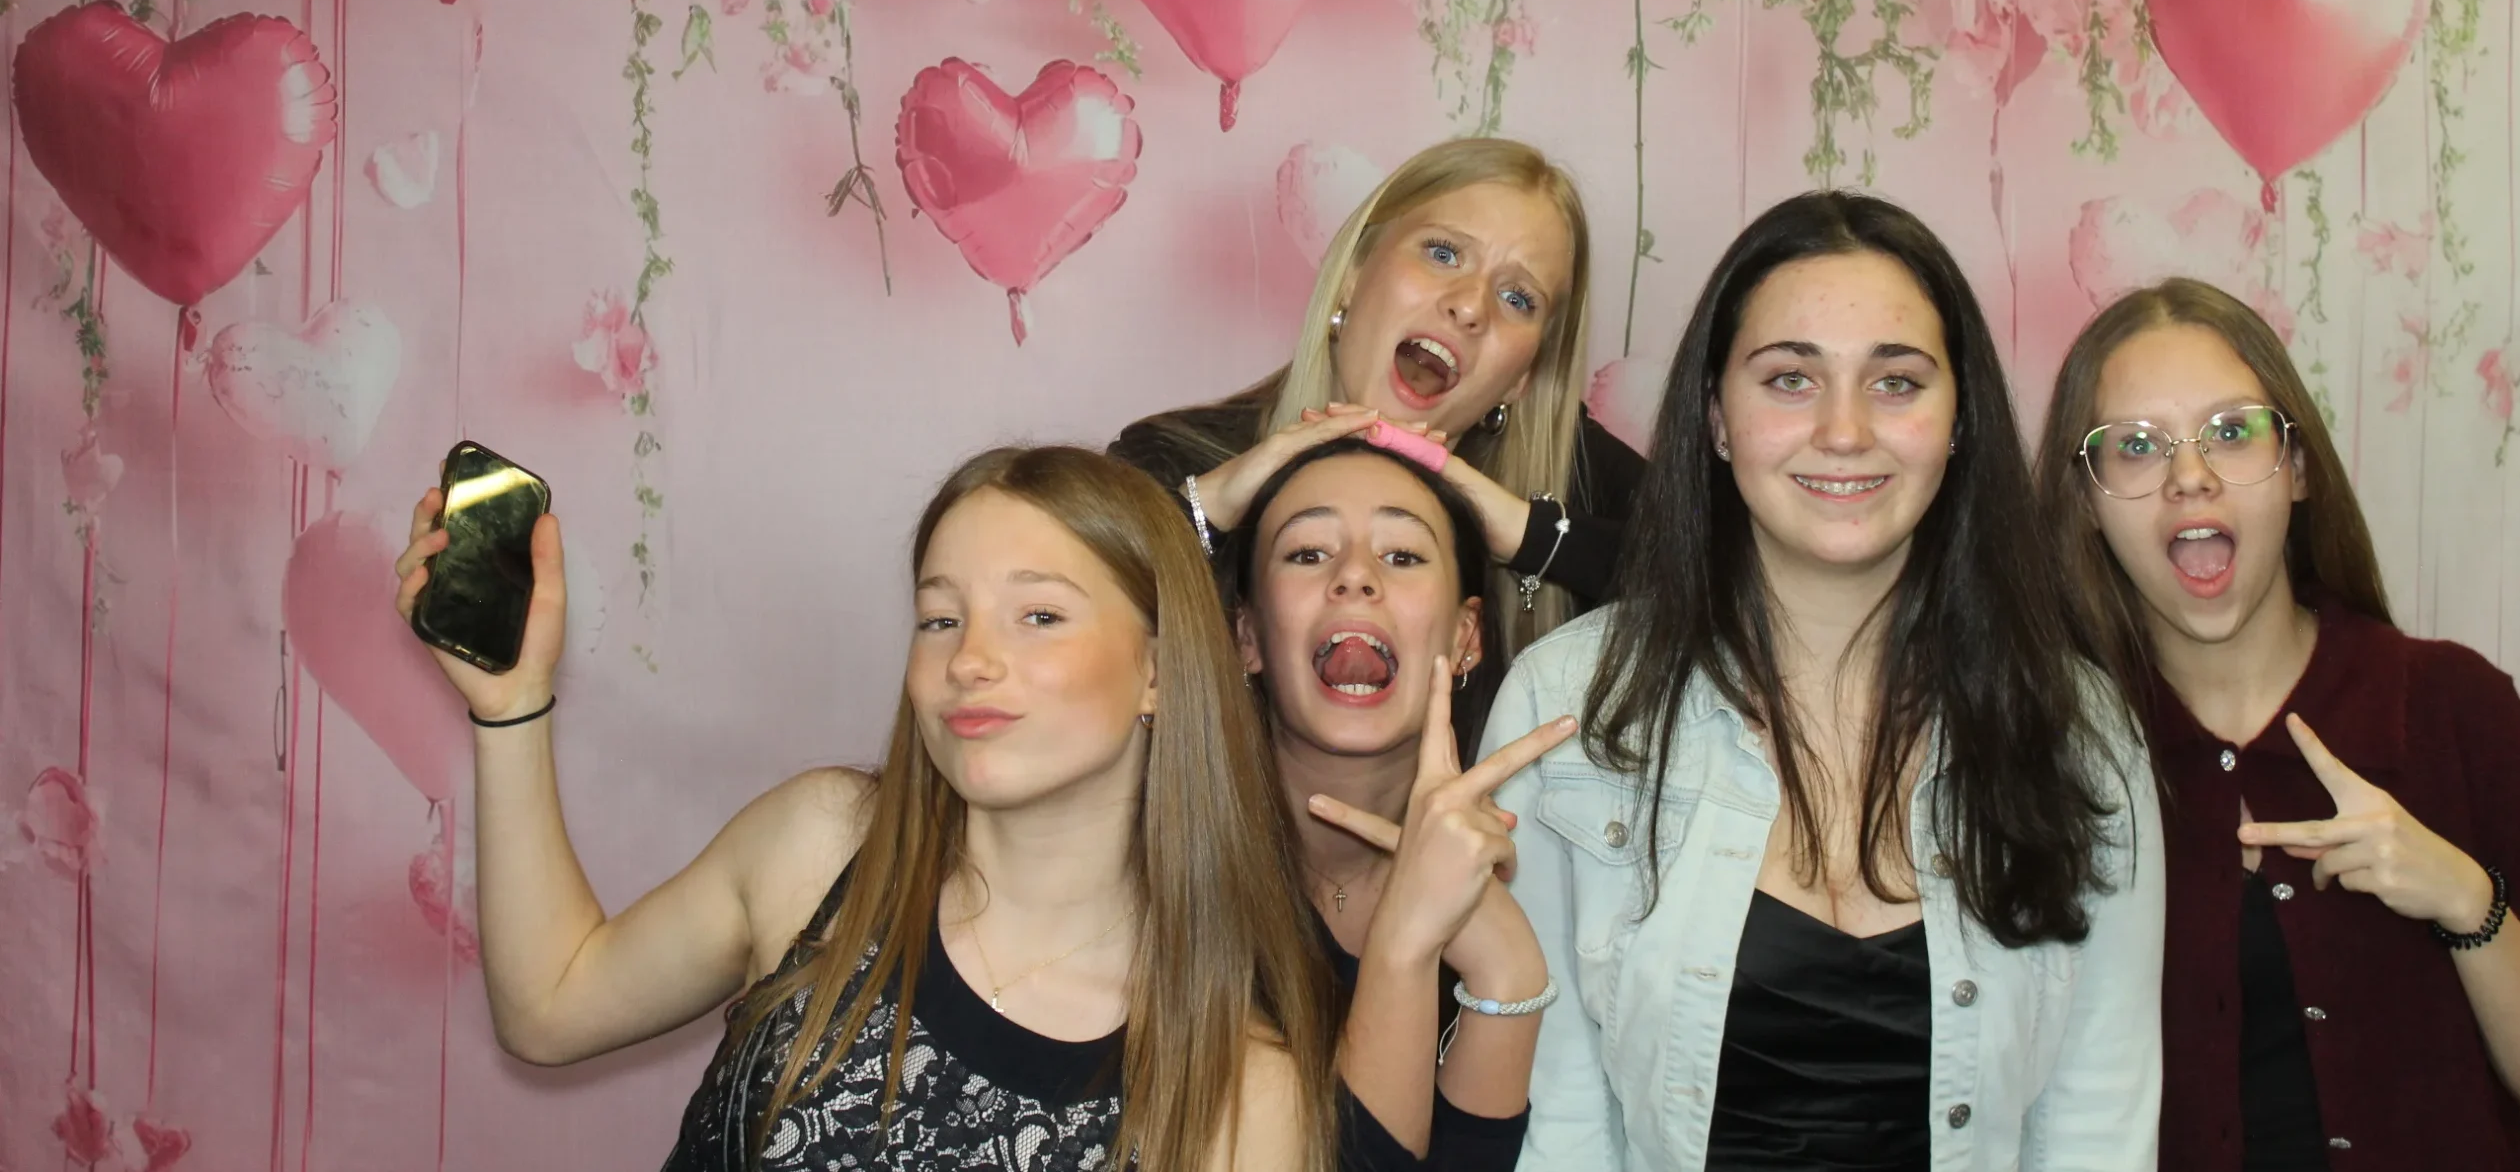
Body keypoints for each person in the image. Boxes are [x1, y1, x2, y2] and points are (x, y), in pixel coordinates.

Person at [393, 446, 1334, 1172]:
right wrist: (511, 706)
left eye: (1039, 615)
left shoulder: (1244, 1096)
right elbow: (550, 1006)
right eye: (940, 617)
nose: (971, 658)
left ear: (1160, 670)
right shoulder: (820, 846)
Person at [1487, 190, 2163, 1171]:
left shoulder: (2077, 731)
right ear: (1717, 418)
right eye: (1790, 379)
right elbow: (1559, 1123)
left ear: (1958, 421)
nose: (1844, 430)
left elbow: (2097, 1123)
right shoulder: (1565, 709)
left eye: (1895, 382)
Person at [2034, 276, 2520, 1170]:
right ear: (2084, 500)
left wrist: (2467, 900)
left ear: (2300, 466)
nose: (2190, 475)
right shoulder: (2053, 754)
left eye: (2232, 430)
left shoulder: (2452, 706)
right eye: (2137, 446)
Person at [1111, 138, 1645, 697]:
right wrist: (1210, 510)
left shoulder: (1573, 480)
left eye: (1517, 298)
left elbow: (1708, 583)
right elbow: (1079, 611)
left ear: (1522, 376)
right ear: (1353, 274)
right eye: (1443, 254)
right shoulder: (1173, 458)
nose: (1469, 306)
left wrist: (1519, 531)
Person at [1222, 437, 1579, 1171]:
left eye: (1404, 555)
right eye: (1308, 553)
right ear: (1248, 636)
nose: (1355, 575)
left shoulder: (1536, 877)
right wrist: (1408, 942)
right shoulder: (1159, 854)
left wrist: (1509, 977)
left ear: (1466, 637)